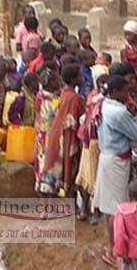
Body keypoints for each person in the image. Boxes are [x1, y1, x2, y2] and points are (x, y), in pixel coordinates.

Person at [95, 75, 137, 268]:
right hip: (116, 161)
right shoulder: (118, 112)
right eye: (124, 90)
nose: (127, 94)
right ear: (115, 92)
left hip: (107, 156)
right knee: (117, 208)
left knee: (109, 207)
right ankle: (116, 251)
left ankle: (112, 247)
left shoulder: (102, 103)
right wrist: (135, 116)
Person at [42, 64, 85, 197]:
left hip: (56, 133)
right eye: (79, 75)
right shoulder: (75, 98)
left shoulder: (63, 93)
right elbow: (76, 121)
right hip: (67, 136)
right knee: (69, 166)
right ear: (73, 80)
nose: (81, 77)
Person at [75, 75, 107, 223]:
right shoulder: (102, 103)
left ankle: (84, 210)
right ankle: (95, 211)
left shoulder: (94, 100)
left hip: (87, 140)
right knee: (95, 178)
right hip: (95, 142)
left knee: (85, 176)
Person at [34, 64, 61, 195]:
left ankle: (43, 206)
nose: (58, 83)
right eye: (56, 81)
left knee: (41, 165)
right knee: (49, 166)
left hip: (41, 135)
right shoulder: (53, 100)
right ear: (50, 83)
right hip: (50, 137)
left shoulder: (39, 96)